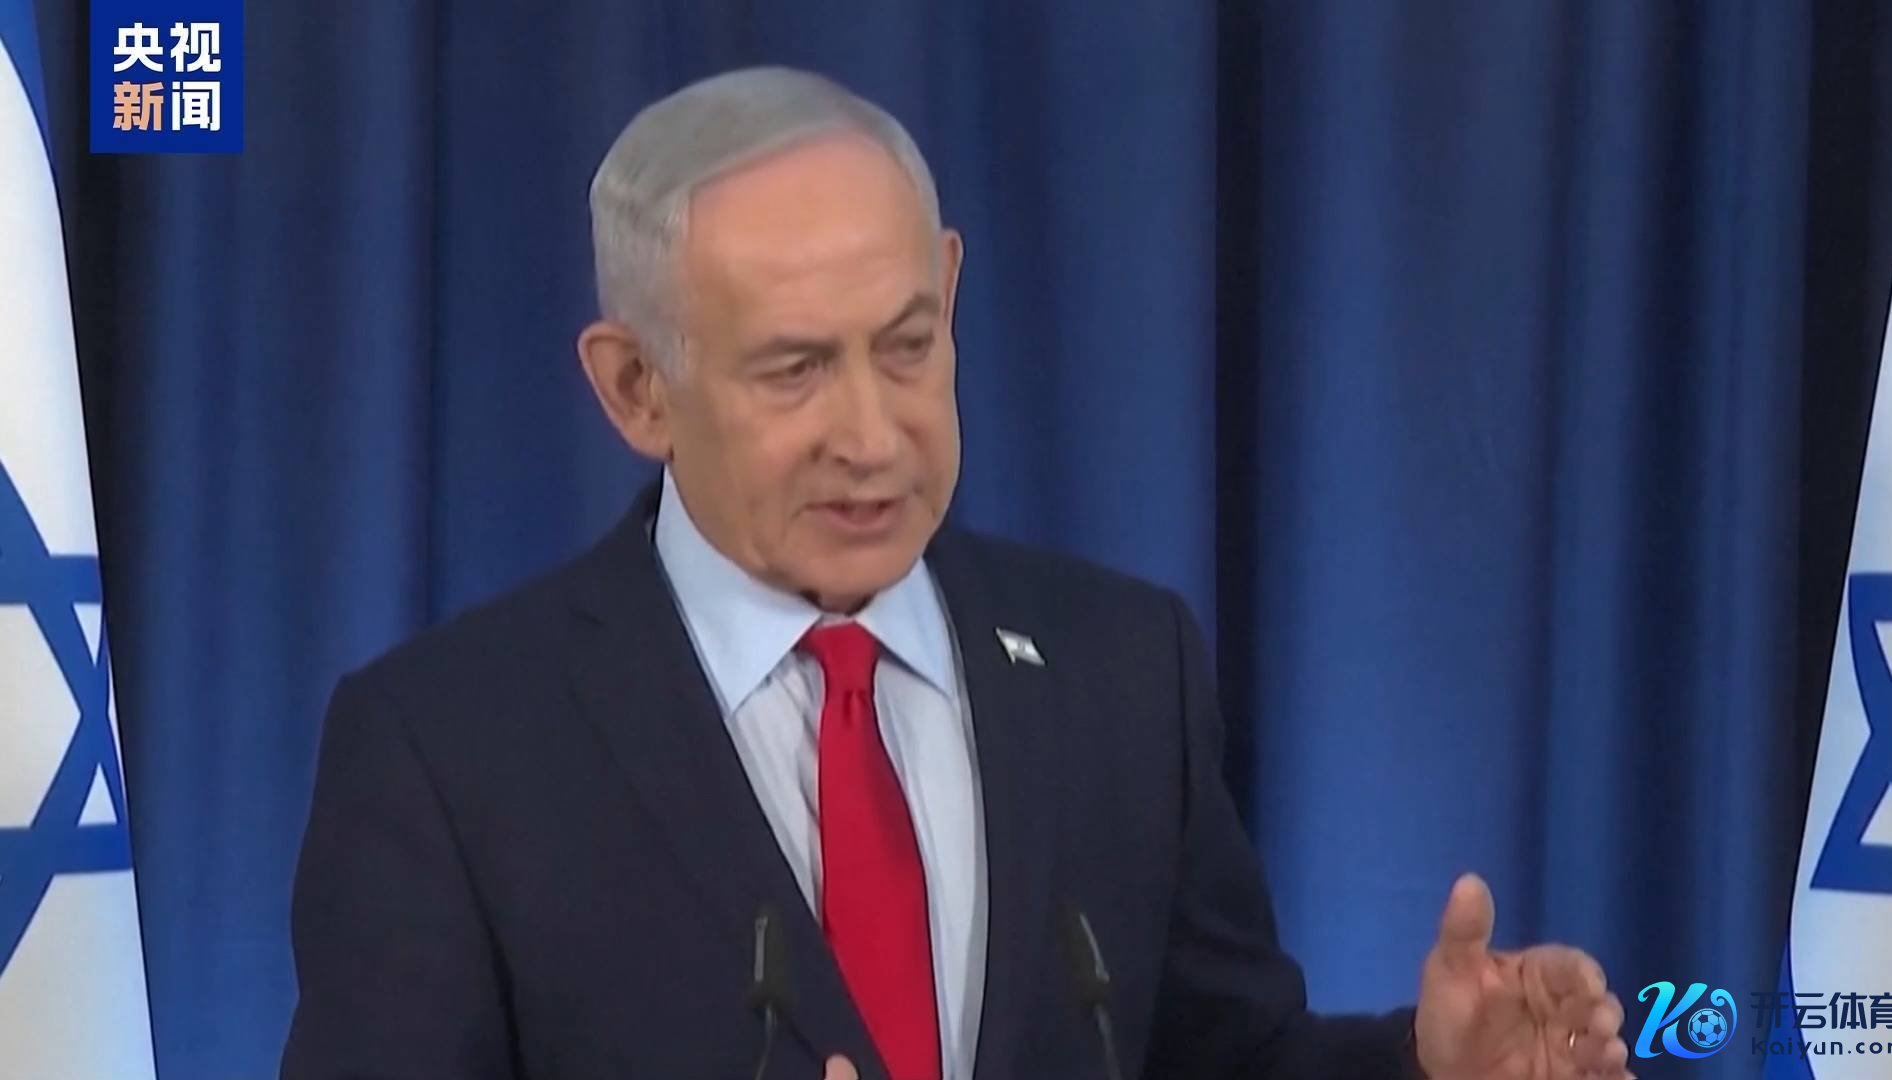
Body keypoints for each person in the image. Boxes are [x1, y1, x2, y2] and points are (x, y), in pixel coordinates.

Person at [281, 67, 1631, 1080]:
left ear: (950, 287)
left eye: (908, 345)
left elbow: (1223, 1060)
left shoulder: (1122, 672)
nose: (874, 435)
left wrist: (1426, 1068)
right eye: (796, 370)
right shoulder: (450, 752)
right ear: (637, 388)